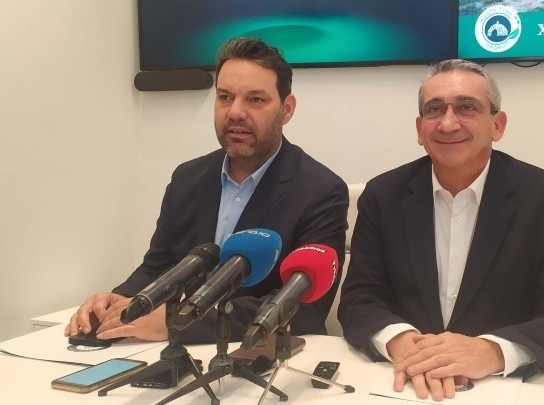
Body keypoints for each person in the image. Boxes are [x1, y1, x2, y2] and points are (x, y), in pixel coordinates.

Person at [338, 59, 544, 401]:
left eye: (466, 107)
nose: (448, 123)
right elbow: (359, 301)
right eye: (434, 110)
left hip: (505, 389)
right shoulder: (383, 196)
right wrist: (402, 343)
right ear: (419, 128)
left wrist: (492, 351)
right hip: (402, 385)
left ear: (497, 125)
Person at [65, 37, 349, 344]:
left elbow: (305, 310)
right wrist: (121, 300)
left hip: (262, 354)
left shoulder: (321, 190)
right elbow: (158, 268)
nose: (235, 112)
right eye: (225, 97)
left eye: (255, 100)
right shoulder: (188, 178)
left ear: (287, 109)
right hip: (176, 354)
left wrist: (176, 322)